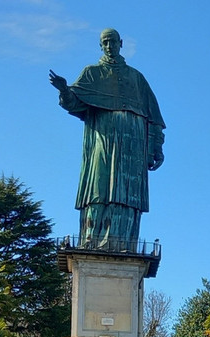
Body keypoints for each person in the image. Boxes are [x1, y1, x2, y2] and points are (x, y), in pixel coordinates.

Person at [50, 28, 165, 250]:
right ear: (100, 46)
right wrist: (64, 90)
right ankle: (93, 240)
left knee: (128, 193)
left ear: (121, 43)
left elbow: (155, 119)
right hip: (102, 140)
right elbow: (74, 103)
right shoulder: (91, 73)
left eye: (113, 41)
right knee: (99, 187)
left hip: (133, 145)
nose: (110, 46)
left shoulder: (137, 78)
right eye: (105, 42)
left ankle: (123, 242)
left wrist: (156, 147)